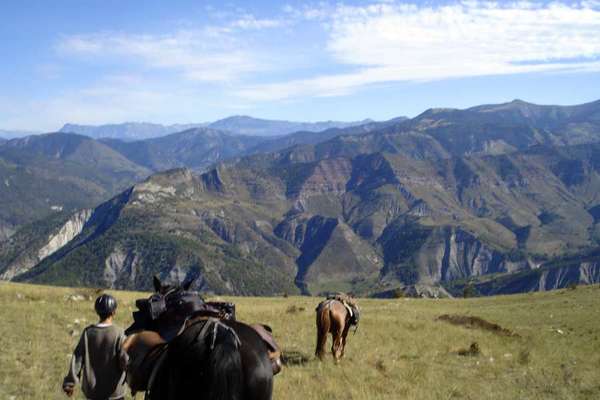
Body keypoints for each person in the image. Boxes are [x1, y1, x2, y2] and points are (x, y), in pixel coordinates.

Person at [62, 294, 129, 400]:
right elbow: (125, 360)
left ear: (97, 311)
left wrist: (69, 383)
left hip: (92, 392)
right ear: (114, 312)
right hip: (114, 393)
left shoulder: (88, 332)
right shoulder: (119, 333)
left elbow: (77, 359)